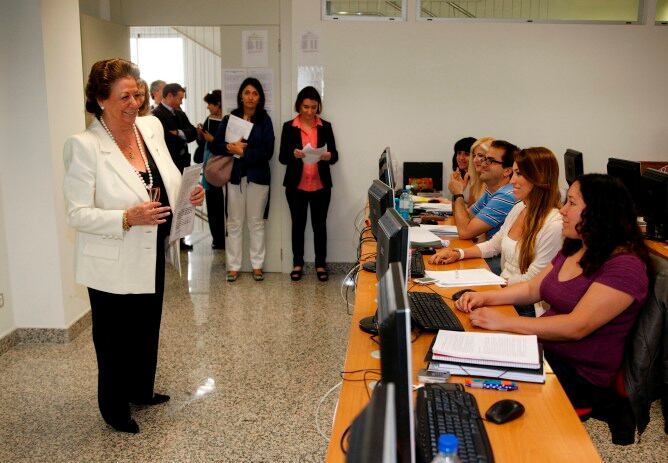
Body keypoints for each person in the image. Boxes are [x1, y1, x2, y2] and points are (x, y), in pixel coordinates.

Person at [62, 59, 204, 434]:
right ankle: (113, 407)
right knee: (113, 338)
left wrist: (189, 194)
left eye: (137, 94)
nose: (133, 103)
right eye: (124, 96)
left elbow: (167, 179)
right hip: (111, 258)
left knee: (145, 325)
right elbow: (76, 214)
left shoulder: (150, 127)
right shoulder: (84, 145)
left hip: (151, 246)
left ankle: (141, 389)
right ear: (99, 99)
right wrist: (126, 217)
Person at [455, 174, 650, 441]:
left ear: (599, 211)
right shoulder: (576, 246)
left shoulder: (625, 267)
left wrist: (503, 322)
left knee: (480, 382)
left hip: (577, 372)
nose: (562, 210)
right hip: (544, 351)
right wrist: (484, 297)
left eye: (571, 203)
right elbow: (533, 288)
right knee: (466, 361)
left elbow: (575, 327)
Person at [431, 147, 563, 315]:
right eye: (514, 173)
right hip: (502, 289)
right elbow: (495, 244)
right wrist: (458, 253)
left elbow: (532, 282)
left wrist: (487, 289)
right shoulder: (519, 208)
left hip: (523, 304)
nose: (513, 180)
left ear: (540, 178)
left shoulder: (554, 225)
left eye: (519, 174)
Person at [210, 77, 274, 282]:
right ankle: (234, 266)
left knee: (256, 223)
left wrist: (244, 153)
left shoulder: (265, 120)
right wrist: (231, 148)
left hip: (258, 177)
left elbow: (268, 151)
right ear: (240, 95)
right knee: (234, 223)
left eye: (255, 93)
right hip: (235, 177)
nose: (250, 97)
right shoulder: (230, 118)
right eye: (247, 92)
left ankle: (257, 266)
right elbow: (216, 145)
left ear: (260, 98)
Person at [279, 86, 339, 282]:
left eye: (314, 107)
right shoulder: (289, 127)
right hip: (296, 186)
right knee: (298, 225)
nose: (310, 111)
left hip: (321, 185)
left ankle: (321, 265)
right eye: (306, 107)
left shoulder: (325, 126)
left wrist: (329, 156)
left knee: (319, 226)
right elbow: (281, 158)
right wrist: (293, 154)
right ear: (298, 106)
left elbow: (335, 156)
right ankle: (297, 264)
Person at [195, 89, 225, 250]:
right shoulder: (209, 119)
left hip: (221, 166)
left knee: (219, 204)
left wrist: (211, 139)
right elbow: (203, 143)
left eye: (210, 104)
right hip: (210, 165)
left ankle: (221, 238)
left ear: (218, 104)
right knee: (213, 203)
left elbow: (227, 145)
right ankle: (217, 238)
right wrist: (201, 135)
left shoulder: (227, 120)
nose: (208, 108)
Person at [152, 83, 198, 174]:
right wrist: (185, 134)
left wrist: (178, 133)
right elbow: (167, 139)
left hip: (184, 162)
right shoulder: (156, 115)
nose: (181, 102)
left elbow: (194, 133)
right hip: (169, 164)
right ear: (169, 96)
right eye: (180, 99)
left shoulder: (180, 113)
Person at [462, 137, 493, 206]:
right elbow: (469, 213)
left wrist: (457, 194)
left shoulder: (495, 186)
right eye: (474, 156)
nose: (475, 160)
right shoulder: (476, 180)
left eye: (480, 155)